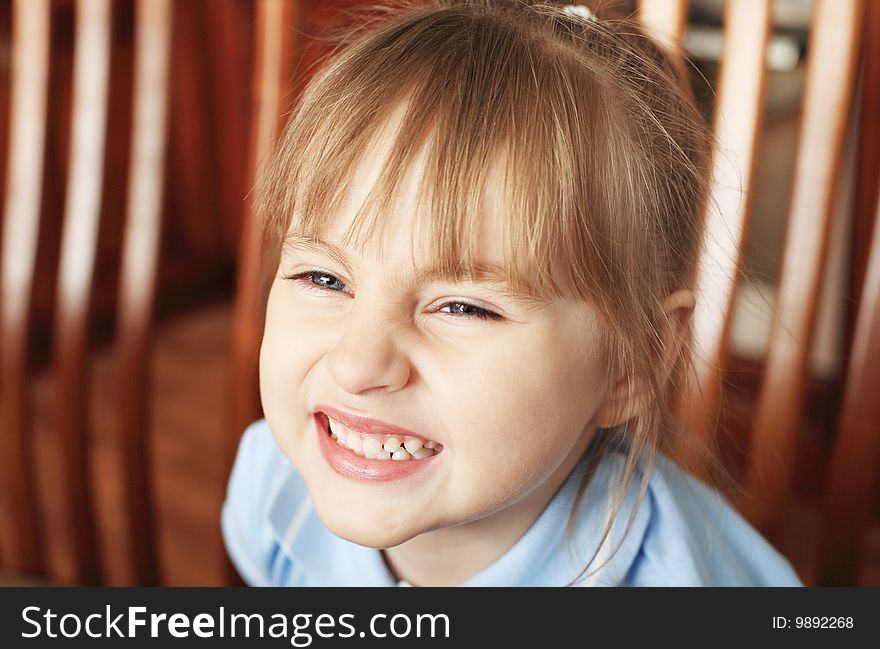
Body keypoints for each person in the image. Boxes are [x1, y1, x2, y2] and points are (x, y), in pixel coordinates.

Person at [221, 0, 803, 586]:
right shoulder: (272, 487)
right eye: (324, 278)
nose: (357, 364)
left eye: (464, 307)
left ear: (633, 360)